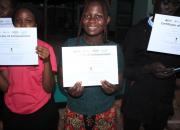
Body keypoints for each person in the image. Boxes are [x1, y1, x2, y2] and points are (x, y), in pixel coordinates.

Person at [58, 0, 124, 129]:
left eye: (98, 16)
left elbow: (120, 83)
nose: (92, 20)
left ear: (107, 20)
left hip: (105, 111)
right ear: (81, 19)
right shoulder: (69, 45)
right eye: (87, 16)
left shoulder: (115, 49)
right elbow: (61, 82)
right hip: (75, 110)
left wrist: (114, 88)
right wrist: (69, 90)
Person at [122, 0, 180, 130]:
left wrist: (174, 70)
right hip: (137, 100)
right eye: (166, 2)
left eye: (176, 4)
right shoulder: (137, 31)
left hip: (162, 102)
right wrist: (148, 68)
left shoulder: (178, 31)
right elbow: (124, 69)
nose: (171, 7)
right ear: (154, 1)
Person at [0, 3, 59, 130]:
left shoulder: (46, 48)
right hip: (12, 112)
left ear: (35, 25)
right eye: (18, 21)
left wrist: (47, 61)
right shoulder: (5, 48)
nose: (22, 25)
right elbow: (5, 87)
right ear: (13, 25)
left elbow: (49, 88)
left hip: (41, 111)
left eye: (28, 21)